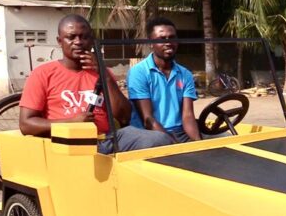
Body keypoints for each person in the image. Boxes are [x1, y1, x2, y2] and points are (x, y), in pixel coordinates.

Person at [18, 14, 173, 153]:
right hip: (68, 142)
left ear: (91, 41)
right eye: (71, 37)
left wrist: (104, 75)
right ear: (60, 41)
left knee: (160, 139)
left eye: (84, 37)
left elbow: (124, 117)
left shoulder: (101, 71)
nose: (78, 42)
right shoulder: (43, 73)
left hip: (107, 139)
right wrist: (71, 122)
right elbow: (26, 124)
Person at [127, 17, 201, 143]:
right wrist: (174, 146)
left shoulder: (185, 74)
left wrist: (199, 144)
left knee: (224, 138)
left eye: (172, 38)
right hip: (151, 134)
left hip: (180, 132)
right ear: (150, 43)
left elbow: (188, 116)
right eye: (162, 39)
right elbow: (148, 120)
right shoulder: (138, 72)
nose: (168, 42)